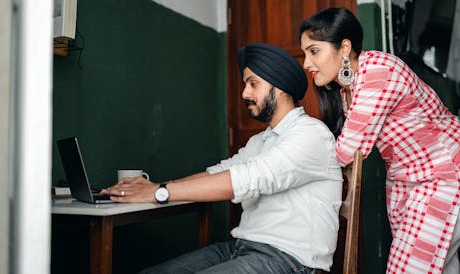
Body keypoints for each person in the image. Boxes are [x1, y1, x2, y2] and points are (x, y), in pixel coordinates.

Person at [101, 42, 343, 273]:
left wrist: (159, 193)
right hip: (240, 248)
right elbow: (218, 173)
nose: (244, 93)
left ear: (279, 87)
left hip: (287, 260)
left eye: (253, 84)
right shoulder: (260, 141)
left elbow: (248, 178)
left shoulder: (311, 134)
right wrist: (158, 187)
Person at [299, 7, 460, 274]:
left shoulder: (378, 72)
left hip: (447, 173)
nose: (306, 63)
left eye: (314, 51)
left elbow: (348, 151)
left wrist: (294, 157)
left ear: (344, 48)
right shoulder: (349, 89)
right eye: (305, 54)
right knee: (440, 267)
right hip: (411, 180)